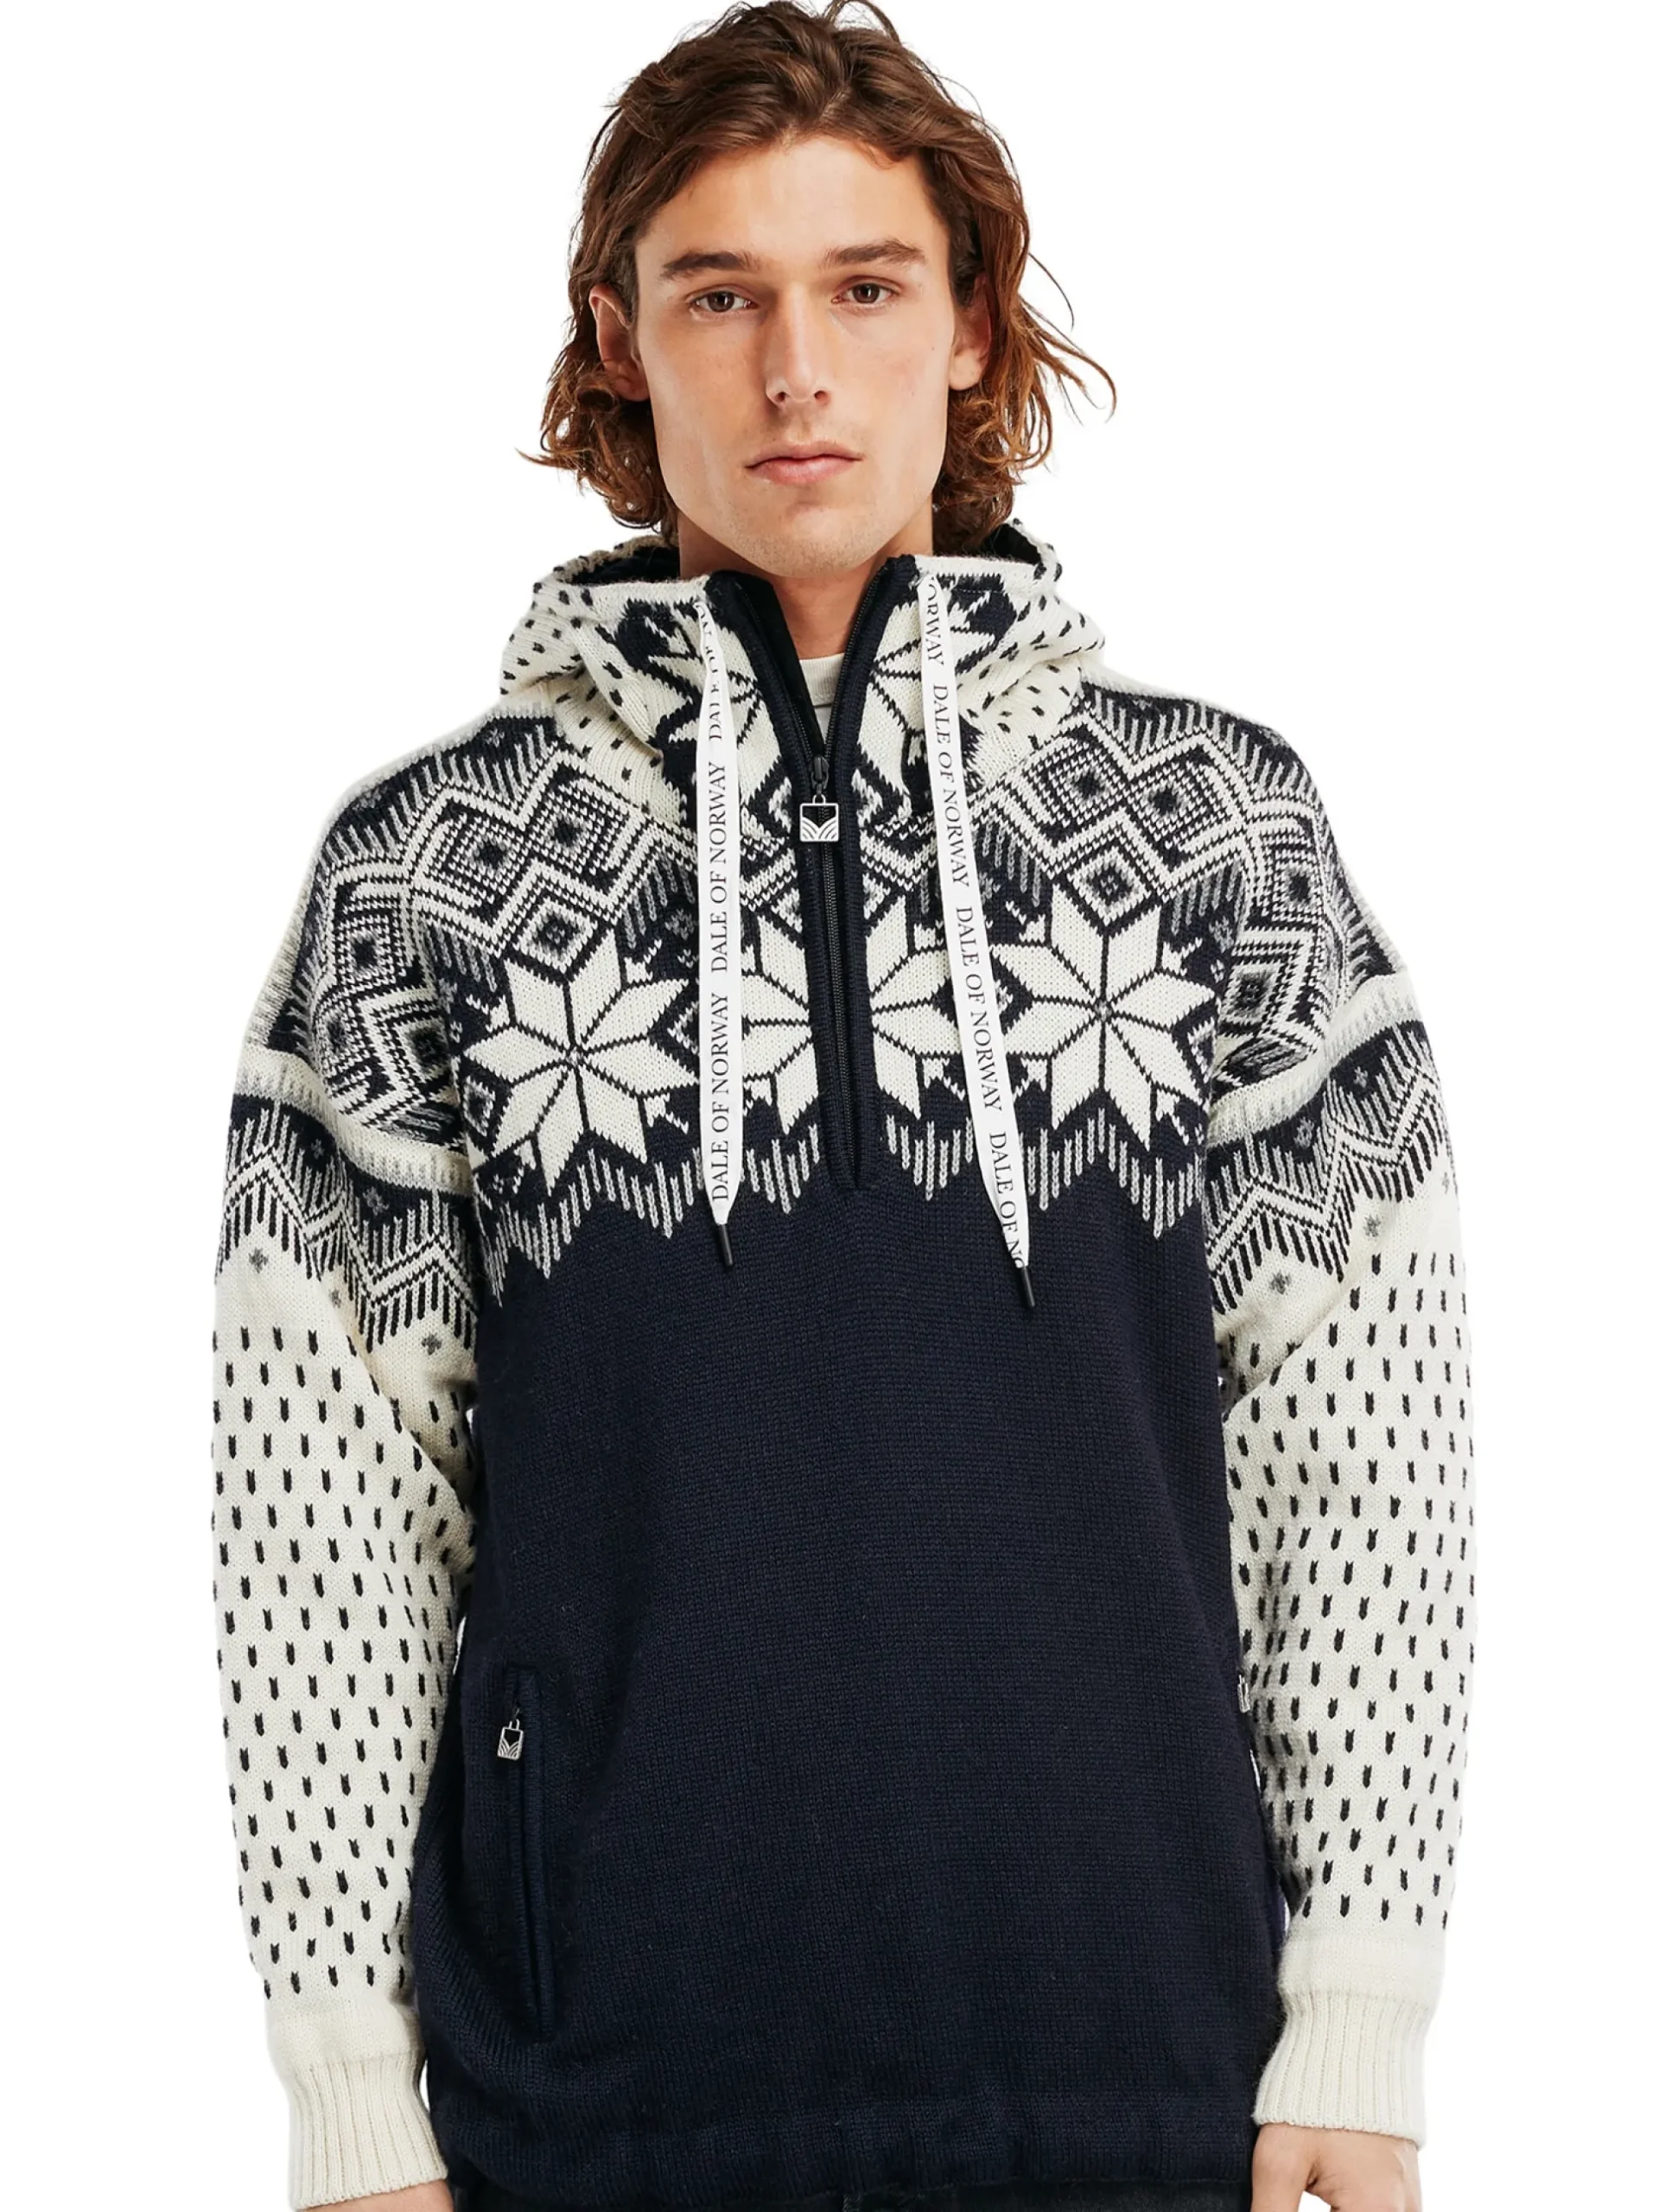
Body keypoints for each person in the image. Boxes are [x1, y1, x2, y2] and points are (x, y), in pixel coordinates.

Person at [207, 6, 1478, 2211]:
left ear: (970, 327)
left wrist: (1359, 2015)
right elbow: (317, 1507)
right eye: (722, 296)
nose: (799, 369)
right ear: (621, 342)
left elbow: (1363, 1448)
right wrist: (349, 2095)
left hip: (1143, 2068)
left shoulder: (1214, 829)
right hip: (584, 2099)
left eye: (865, 287)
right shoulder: (426, 876)